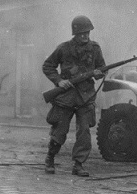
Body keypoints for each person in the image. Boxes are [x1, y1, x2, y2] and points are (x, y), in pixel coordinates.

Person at [42, 15, 106, 176]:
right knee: (59, 131)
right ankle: (50, 158)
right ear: (75, 33)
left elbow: (102, 68)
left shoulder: (95, 48)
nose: (85, 36)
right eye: (82, 33)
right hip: (66, 96)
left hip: (85, 96)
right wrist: (58, 81)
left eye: (88, 32)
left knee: (84, 133)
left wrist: (99, 74)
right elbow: (48, 66)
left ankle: (78, 164)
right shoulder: (63, 48)